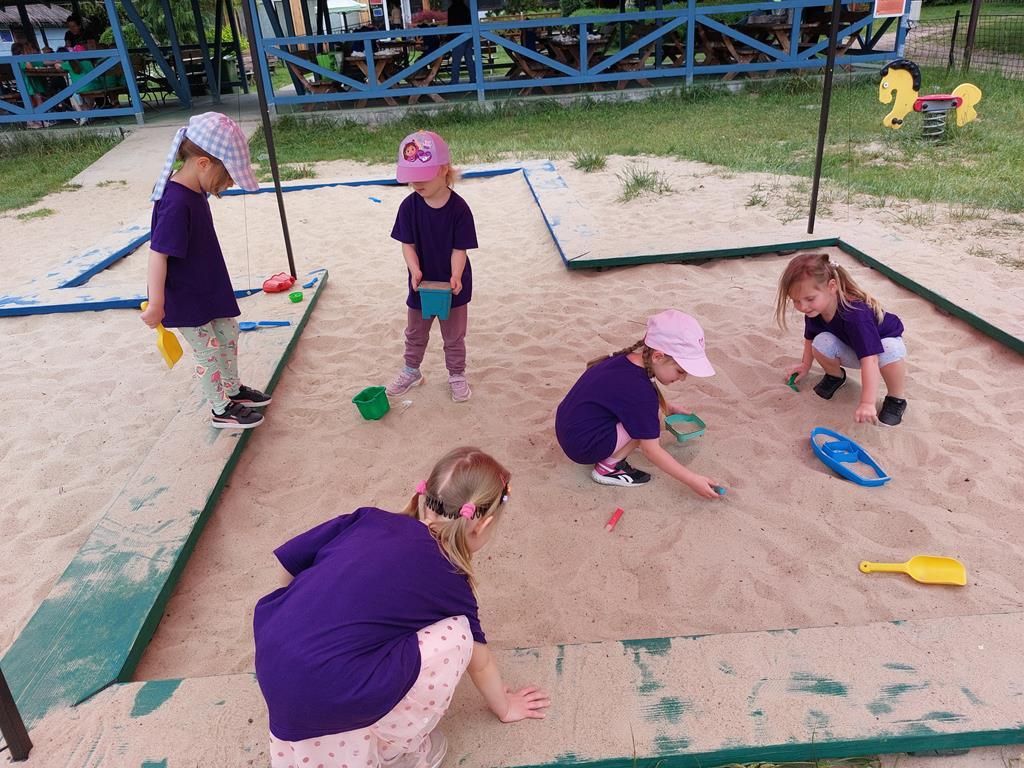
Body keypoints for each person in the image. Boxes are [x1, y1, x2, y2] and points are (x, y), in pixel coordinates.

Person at [254, 446, 550, 768]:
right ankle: (390, 751)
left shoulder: (368, 518)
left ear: (426, 494)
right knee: (459, 635)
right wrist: (505, 707)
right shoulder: (450, 575)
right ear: (482, 525)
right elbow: (480, 663)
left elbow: (289, 564)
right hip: (330, 696)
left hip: (274, 663)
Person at [141, 112, 270, 430]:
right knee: (208, 352)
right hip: (185, 295)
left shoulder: (194, 190)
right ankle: (220, 408)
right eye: (228, 176)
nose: (230, 183)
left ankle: (233, 390)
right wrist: (156, 303)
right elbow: (157, 255)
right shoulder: (176, 202)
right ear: (203, 163)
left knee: (227, 334)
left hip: (207, 285)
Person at [555, 309, 723, 498]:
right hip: (583, 447)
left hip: (570, 430)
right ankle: (608, 468)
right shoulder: (642, 392)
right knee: (648, 424)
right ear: (658, 356)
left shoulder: (623, 360)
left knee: (647, 415)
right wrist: (693, 480)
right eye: (680, 371)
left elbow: (625, 397)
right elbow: (651, 451)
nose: (682, 378)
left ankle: (610, 450)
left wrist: (668, 408)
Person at [387, 130, 478, 403]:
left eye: (422, 175)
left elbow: (459, 249)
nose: (416, 182)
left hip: (452, 285)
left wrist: (456, 275)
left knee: (453, 336)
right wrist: (414, 269)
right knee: (415, 331)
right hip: (421, 285)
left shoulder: (459, 209)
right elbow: (407, 244)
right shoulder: (409, 207)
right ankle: (411, 371)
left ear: (443, 170)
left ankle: (457, 375)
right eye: (411, 176)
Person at [776, 252, 908, 426]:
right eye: (796, 301)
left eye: (809, 299)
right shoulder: (815, 310)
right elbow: (810, 338)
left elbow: (870, 359)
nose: (803, 307)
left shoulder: (855, 315)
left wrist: (867, 403)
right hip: (853, 347)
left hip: (879, 348)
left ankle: (896, 398)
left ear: (832, 287)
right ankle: (835, 377)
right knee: (821, 342)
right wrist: (805, 366)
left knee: (890, 349)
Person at [446, 0, 475, 84]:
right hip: (469, 36)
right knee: (469, 59)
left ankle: (454, 81)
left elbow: (451, 25)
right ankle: (473, 79)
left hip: (458, 36)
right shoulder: (466, 8)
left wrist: (448, 38)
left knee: (456, 60)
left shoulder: (452, 9)